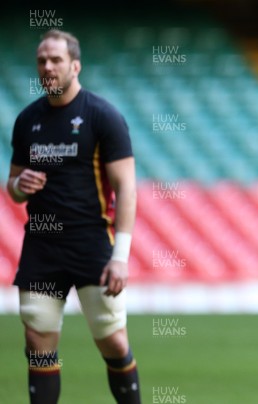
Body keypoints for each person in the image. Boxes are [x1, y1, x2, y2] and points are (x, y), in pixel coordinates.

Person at [8, 29, 140, 404]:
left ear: (75, 65)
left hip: (92, 244)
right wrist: (21, 183)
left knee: (113, 340)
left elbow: (126, 189)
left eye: (55, 60)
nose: (47, 66)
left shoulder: (103, 116)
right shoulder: (27, 120)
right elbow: (12, 187)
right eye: (41, 60)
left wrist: (121, 258)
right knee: (38, 339)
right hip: (42, 246)